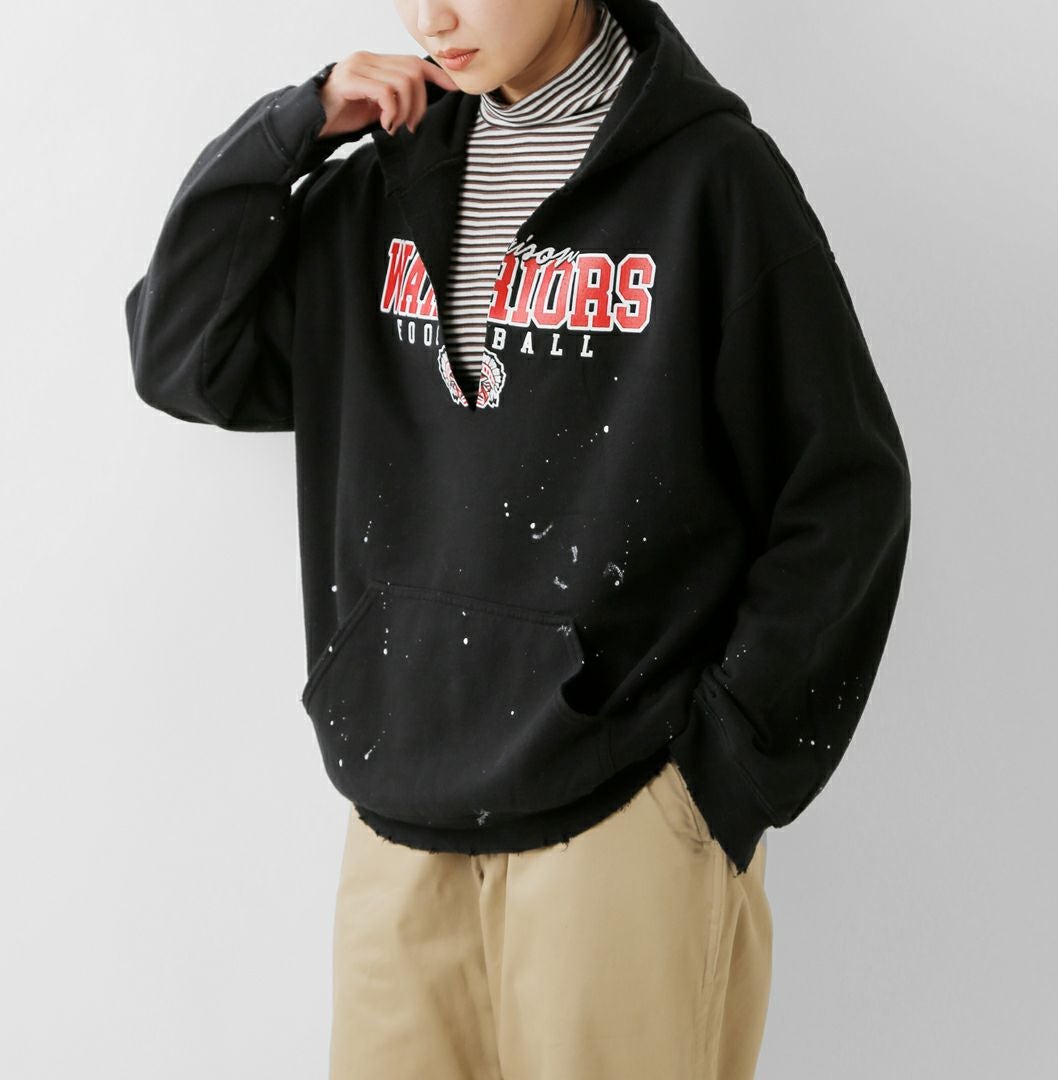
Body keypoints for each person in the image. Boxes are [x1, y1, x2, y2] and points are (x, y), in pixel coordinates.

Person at [124, 0, 912, 1075]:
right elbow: (183, 357)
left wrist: (718, 777)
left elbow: (844, 490)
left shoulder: (713, 186)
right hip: (397, 814)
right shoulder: (381, 183)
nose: (431, 17)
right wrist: (291, 130)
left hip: (623, 818)